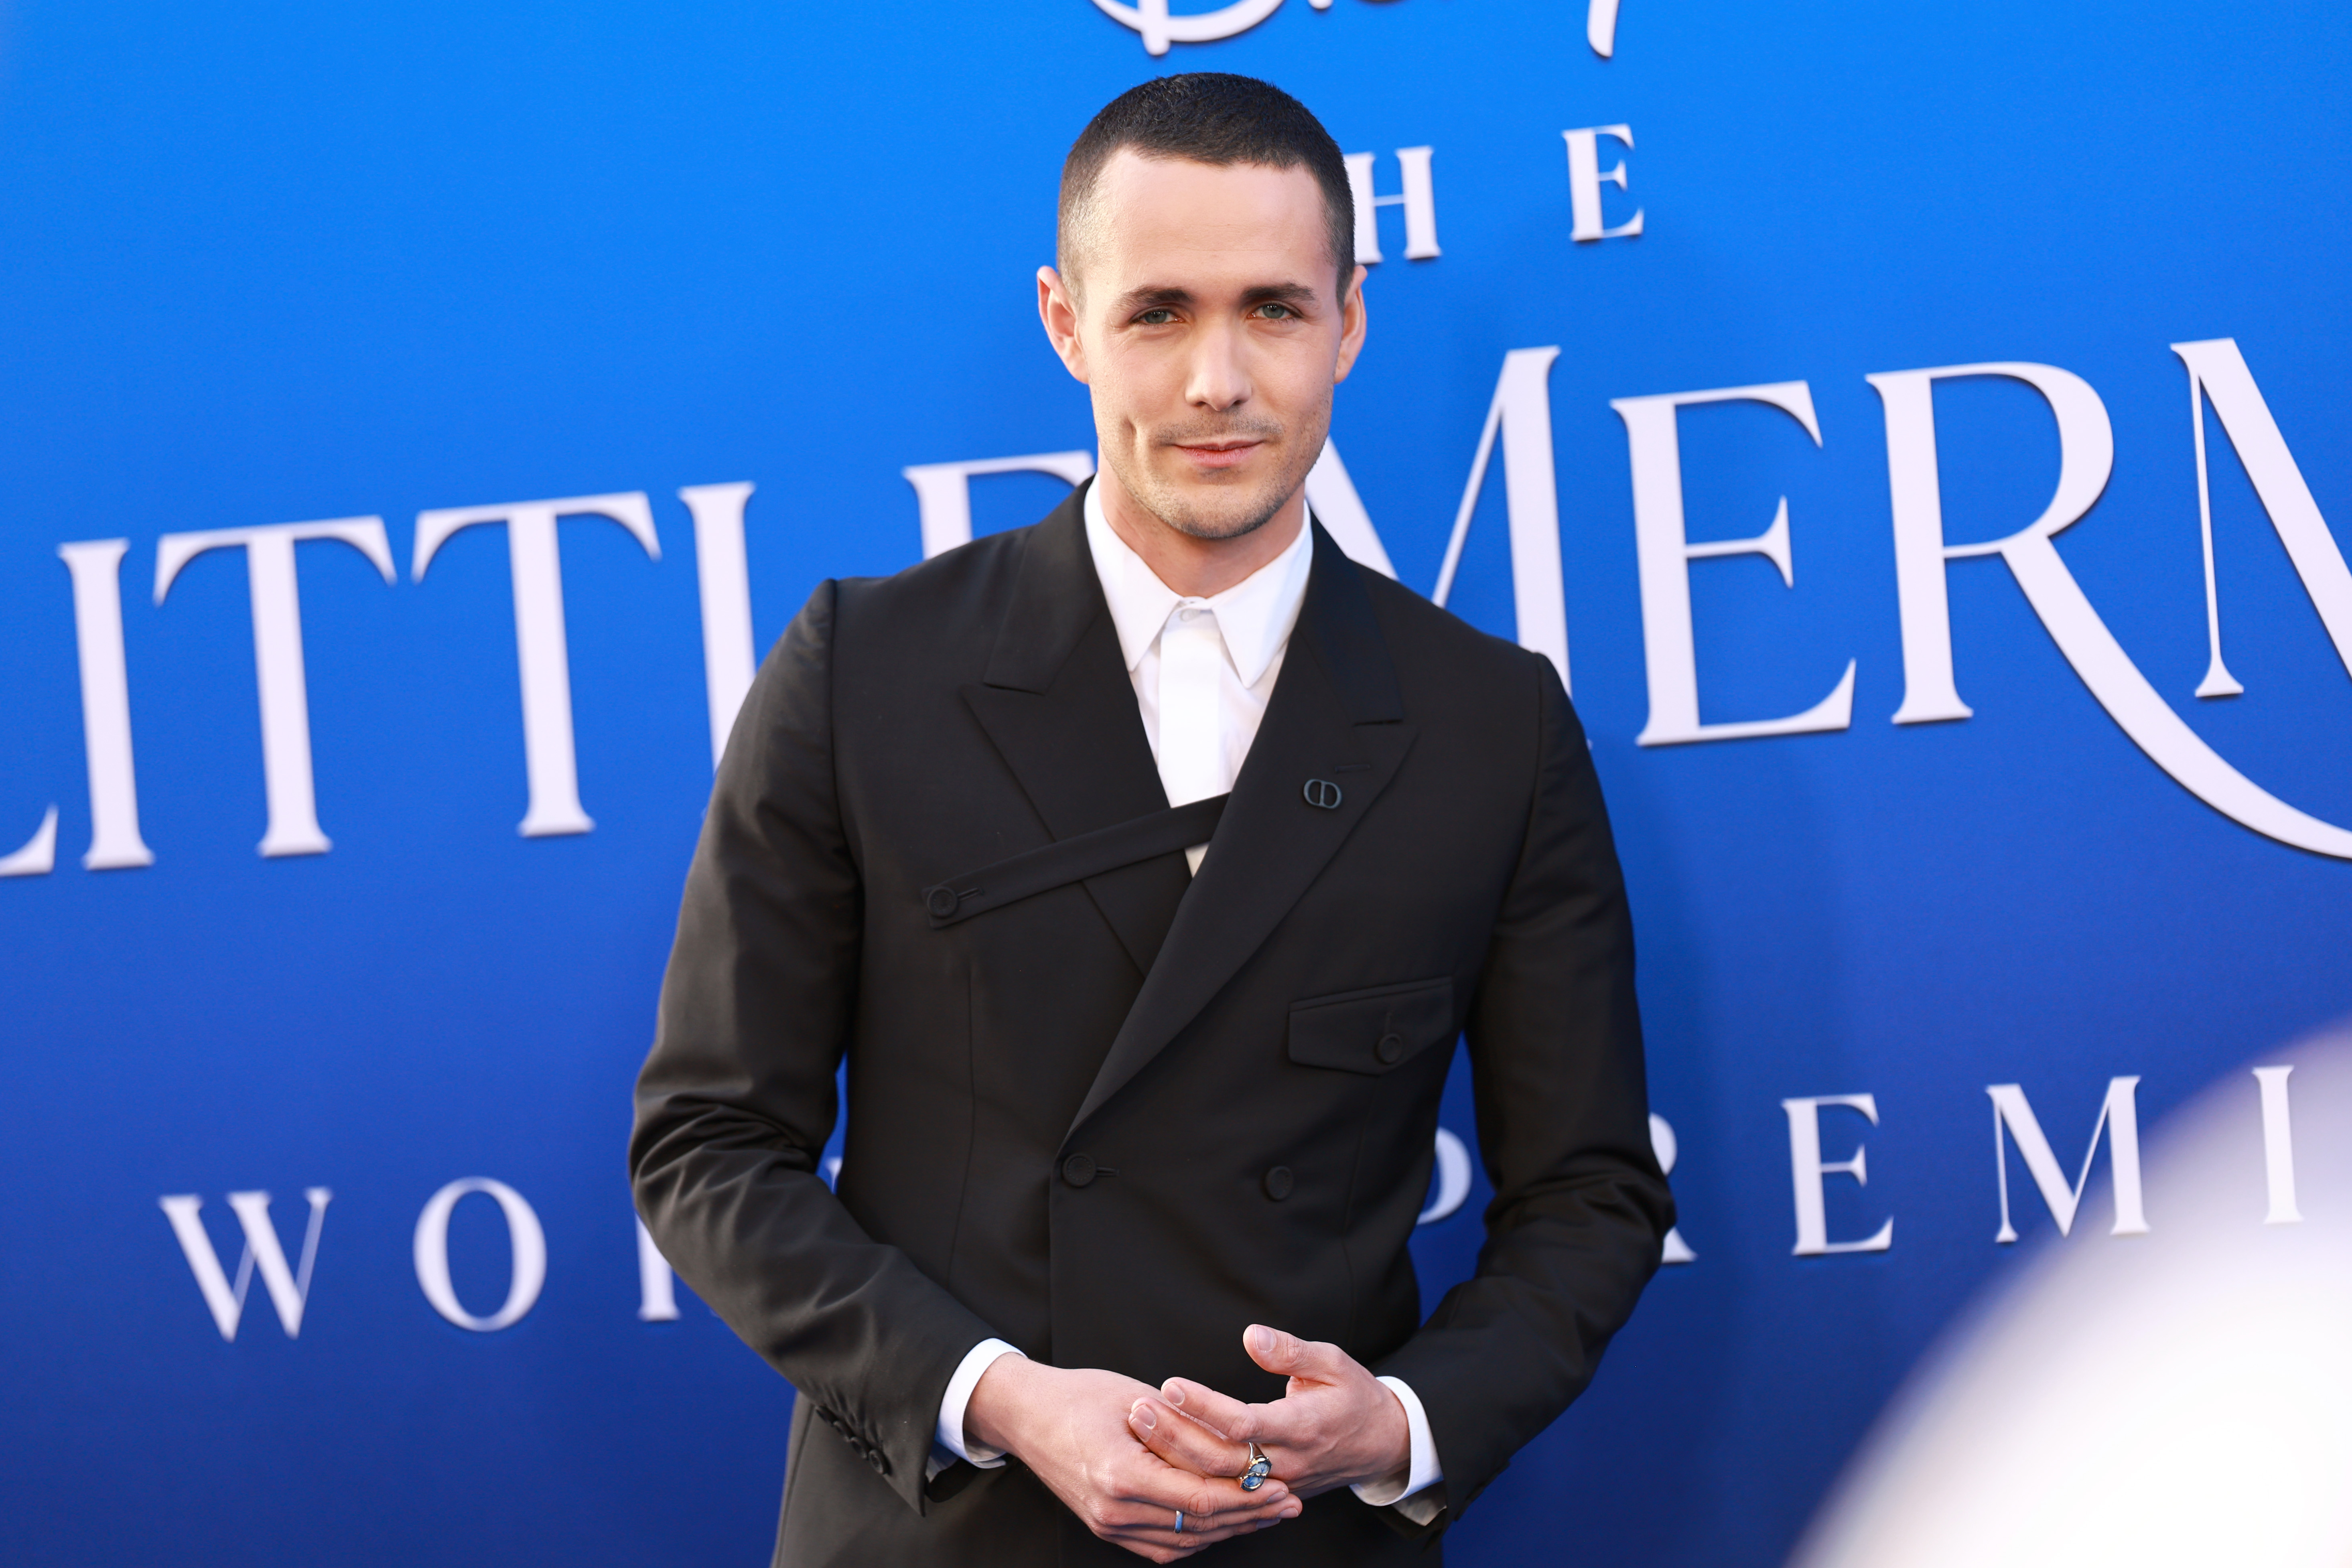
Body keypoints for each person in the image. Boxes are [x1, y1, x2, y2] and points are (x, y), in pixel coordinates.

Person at [631, 72, 1672, 1566]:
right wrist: (995, 1397)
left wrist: (1404, 1420)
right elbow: (709, 1144)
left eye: (1274, 309)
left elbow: (1590, 1193)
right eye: (1159, 312)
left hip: (1302, 1544)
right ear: (1066, 321)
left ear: (1350, 322)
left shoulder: (1488, 725)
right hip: (949, 1533)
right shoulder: (867, 672)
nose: (1219, 381)